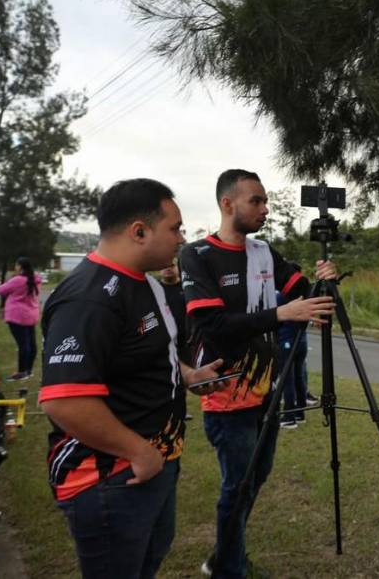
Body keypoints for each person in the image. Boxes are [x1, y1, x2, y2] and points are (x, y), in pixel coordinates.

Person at [38, 179, 225, 579]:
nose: (181, 238)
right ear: (139, 231)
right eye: (174, 228)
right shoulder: (88, 297)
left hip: (153, 466)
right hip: (111, 477)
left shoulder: (147, 284)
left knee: (147, 563)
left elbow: (151, 358)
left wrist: (190, 376)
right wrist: (139, 452)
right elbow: (64, 399)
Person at [179, 169, 336, 579]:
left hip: (268, 390)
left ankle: (223, 555)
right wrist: (282, 312)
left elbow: (304, 290)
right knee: (238, 484)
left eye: (265, 201)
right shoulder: (197, 256)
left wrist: (323, 283)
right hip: (226, 393)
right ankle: (229, 568)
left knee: (256, 478)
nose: (265, 209)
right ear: (227, 204)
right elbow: (211, 325)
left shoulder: (265, 252)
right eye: (256, 201)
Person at [0, 257, 42, 381]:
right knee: (31, 344)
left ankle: (21, 372)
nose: (15, 267)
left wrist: (8, 280)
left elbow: (0, 290)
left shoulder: (17, 280)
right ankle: (28, 370)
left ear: (20, 267)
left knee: (23, 345)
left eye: (16, 265)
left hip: (17, 315)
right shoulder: (35, 279)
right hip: (31, 314)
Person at [275, 286, 310, 429]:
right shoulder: (303, 295)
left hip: (286, 341)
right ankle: (300, 412)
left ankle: (289, 416)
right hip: (301, 340)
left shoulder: (281, 296)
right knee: (299, 376)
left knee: (286, 379)